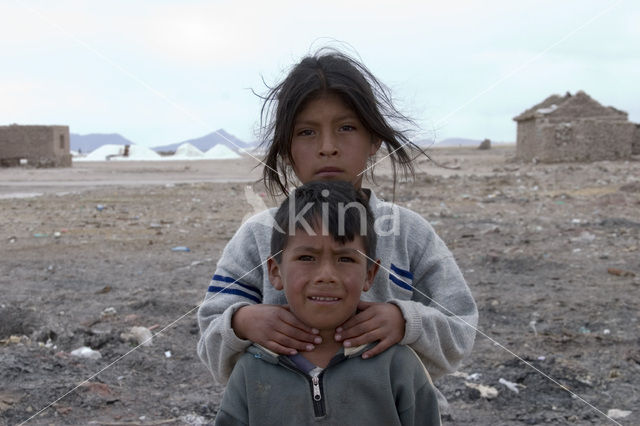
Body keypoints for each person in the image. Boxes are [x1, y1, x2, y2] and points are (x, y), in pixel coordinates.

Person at [197, 48, 478, 407]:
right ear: (286, 149)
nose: (327, 148)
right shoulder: (257, 238)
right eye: (307, 132)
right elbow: (209, 336)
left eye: (346, 128)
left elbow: (461, 326)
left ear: (374, 139)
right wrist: (241, 324)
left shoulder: (408, 234)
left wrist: (407, 322)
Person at [214, 181, 441, 425]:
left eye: (344, 258)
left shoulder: (398, 366)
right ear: (275, 271)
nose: (326, 275)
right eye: (306, 257)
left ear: (369, 274)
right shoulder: (251, 369)